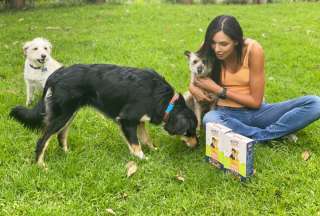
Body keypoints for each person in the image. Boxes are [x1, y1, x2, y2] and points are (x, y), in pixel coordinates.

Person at [189, 15, 320, 142]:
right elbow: (195, 75)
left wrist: (220, 91)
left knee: (315, 103)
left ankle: (256, 135)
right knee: (210, 119)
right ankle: (271, 134)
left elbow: (256, 102)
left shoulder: (253, 49)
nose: (217, 49)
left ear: (236, 41)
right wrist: (192, 88)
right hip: (225, 114)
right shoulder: (207, 48)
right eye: (213, 43)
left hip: (258, 111)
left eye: (224, 44)